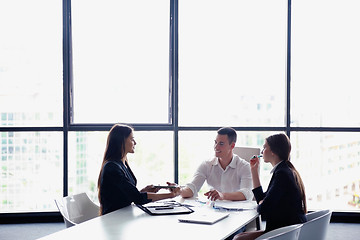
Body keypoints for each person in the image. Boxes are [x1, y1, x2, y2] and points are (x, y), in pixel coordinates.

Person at [233, 133, 307, 240]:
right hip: (287, 228)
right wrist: (254, 170)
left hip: (285, 232)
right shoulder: (284, 170)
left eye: (264, 147)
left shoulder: (282, 174)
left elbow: (263, 209)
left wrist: (262, 203)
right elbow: (262, 199)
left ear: (273, 151)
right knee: (239, 236)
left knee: (238, 239)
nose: (262, 152)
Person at [97, 124, 180, 215]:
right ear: (121, 141)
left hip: (123, 215)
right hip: (113, 218)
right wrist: (171, 195)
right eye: (132, 139)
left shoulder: (122, 164)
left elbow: (126, 195)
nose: (135, 143)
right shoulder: (112, 167)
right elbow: (138, 199)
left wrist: (144, 191)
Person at [179, 127, 253, 201]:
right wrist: (179, 191)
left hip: (238, 210)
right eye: (215, 142)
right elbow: (192, 188)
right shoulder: (207, 164)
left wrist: (222, 195)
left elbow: (247, 193)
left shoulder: (244, 166)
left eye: (221, 143)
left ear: (232, 146)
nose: (216, 147)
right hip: (214, 210)